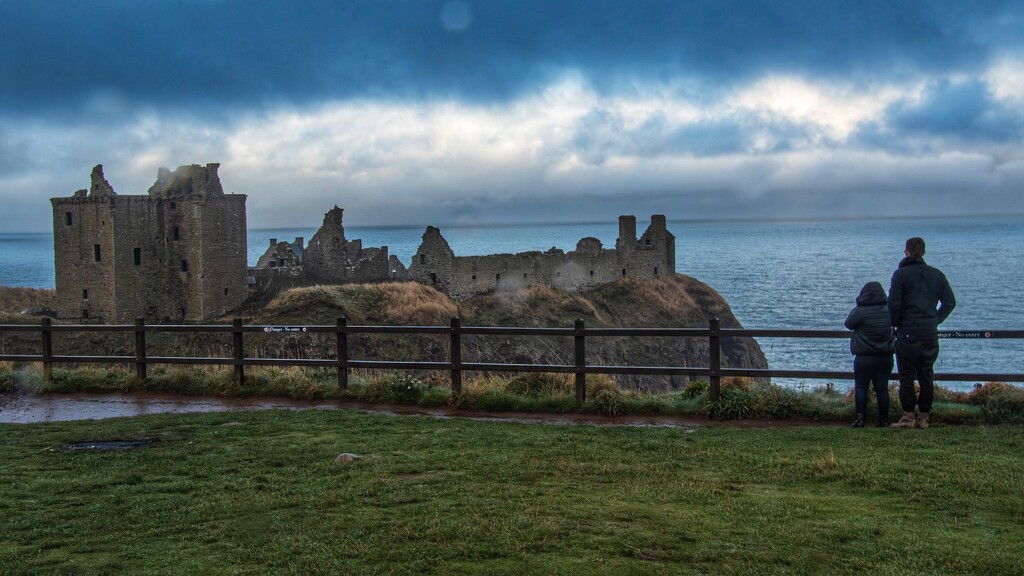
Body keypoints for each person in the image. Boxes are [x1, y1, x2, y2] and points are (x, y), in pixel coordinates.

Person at [888, 237, 956, 429]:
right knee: (927, 376)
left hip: (907, 333)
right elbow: (950, 302)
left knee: (906, 377)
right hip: (929, 334)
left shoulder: (900, 275)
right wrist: (935, 320)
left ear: (907, 252)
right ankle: (924, 418)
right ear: (924, 252)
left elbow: (893, 304)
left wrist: (895, 324)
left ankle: (908, 417)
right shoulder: (937, 275)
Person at [845, 281, 895, 427]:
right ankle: (884, 420)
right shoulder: (889, 310)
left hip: (864, 357)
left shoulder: (860, 311)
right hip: (885, 357)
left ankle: (860, 420)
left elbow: (848, 324)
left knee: (861, 387)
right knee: (882, 388)